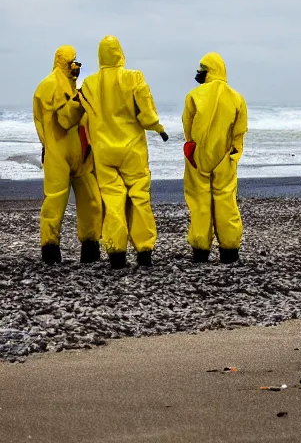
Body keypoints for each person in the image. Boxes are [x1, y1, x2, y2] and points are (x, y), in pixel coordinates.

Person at [79, 36, 169, 270]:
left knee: (113, 200)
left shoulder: (89, 83)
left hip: (103, 151)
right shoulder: (134, 78)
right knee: (139, 197)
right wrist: (158, 128)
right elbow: (147, 116)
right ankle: (144, 251)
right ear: (120, 53)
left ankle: (116, 252)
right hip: (132, 149)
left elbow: (82, 114)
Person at [33, 45, 102, 265]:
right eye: (73, 61)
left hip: (81, 153)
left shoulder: (71, 87)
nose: (77, 66)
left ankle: (91, 248)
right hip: (58, 153)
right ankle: (50, 250)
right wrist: (80, 101)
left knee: (92, 201)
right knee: (54, 203)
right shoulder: (49, 86)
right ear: (65, 62)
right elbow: (63, 120)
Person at [182, 52, 248, 264]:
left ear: (206, 71)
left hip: (198, 157)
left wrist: (192, 149)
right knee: (226, 202)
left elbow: (188, 127)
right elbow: (239, 132)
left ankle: (200, 251)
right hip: (224, 158)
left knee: (200, 202)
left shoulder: (193, 95)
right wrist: (233, 156)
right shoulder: (236, 97)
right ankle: (229, 251)